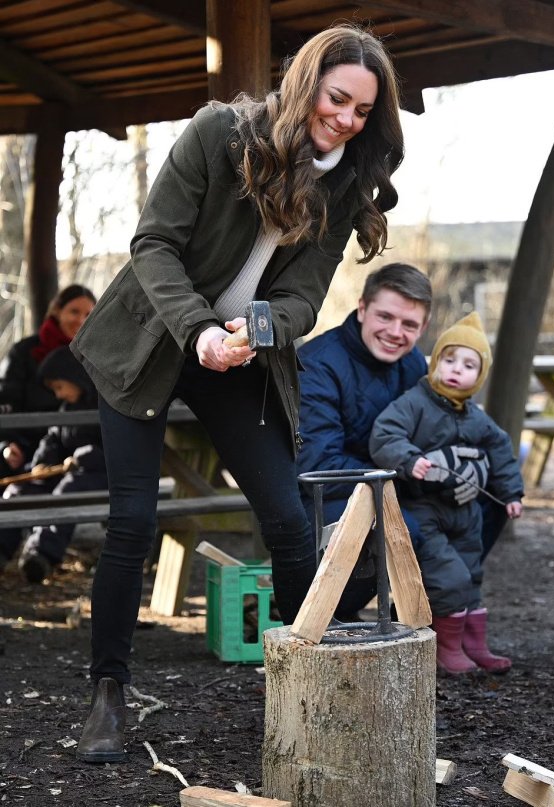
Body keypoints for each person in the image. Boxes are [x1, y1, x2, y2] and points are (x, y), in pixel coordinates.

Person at [69, 23, 405, 763]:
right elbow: (152, 245)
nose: (345, 118)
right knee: (132, 519)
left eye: (361, 110)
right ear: (307, 84)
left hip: (240, 352)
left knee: (287, 516)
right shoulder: (218, 132)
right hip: (150, 338)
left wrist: (252, 330)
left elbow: (304, 297)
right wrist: (199, 331)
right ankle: (107, 692)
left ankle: (305, 683)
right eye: (336, 98)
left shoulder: (345, 180)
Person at [296, 263, 500, 618]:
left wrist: (469, 466)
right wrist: (412, 473)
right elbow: (320, 468)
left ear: (424, 326)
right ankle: (344, 611)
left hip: (400, 485)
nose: (395, 332)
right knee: (412, 525)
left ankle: (440, 608)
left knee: (487, 502)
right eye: (385, 317)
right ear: (362, 308)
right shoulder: (317, 366)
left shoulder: (414, 367)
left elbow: (450, 429)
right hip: (330, 498)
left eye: (409, 324)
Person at [369, 312, 523, 674]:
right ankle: (447, 648)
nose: (456, 370)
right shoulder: (415, 402)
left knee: (471, 574)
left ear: (479, 376)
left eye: (469, 365)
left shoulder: (475, 416)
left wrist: (512, 493)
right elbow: (384, 434)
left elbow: (501, 450)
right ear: (435, 363)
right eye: (449, 360)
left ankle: (475, 644)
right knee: (447, 576)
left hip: (465, 511)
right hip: (425, 508)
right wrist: (410, 460)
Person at [0, 346, 106, 582]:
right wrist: (42, 463)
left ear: (75, 378)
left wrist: (82, 458)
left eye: (59, 387)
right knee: (18, 490)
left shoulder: (104, 405)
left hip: (97, 477)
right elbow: (53, 438)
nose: (58, 394)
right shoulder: (66, 409)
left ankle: (41, 555)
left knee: (65, 492)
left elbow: (113, 447)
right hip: (63, 473)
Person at [0, 284, 96, 478]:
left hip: (76, 450)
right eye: (74, 312)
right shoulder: (24, 352)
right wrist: (7, 445)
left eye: (88, 314)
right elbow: (5, 402)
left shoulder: (97, 355)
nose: (80, 320)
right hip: (25, 446)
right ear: (58, 311)